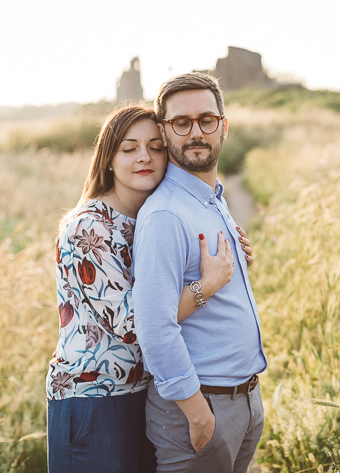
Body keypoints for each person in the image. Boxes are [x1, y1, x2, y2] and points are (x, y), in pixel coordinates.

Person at [45, 104, 255, 472]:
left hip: (146, 394)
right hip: (94, 398)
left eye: (156, 147)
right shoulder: (88, 228)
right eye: (129, 148)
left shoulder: (150, 218)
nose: (144, 158)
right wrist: (206, 285)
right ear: (108, 158)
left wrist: (232, 260)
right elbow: (133, 323)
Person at [132, 73, 267, 472]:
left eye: (207, 120)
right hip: (201, 405)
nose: (196, 132)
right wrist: (198, 413)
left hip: (241, 400)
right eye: (181, 122)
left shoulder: (211, 197)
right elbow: (154, 327)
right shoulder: (165, 215)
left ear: (224, 127)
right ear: (163, 130)